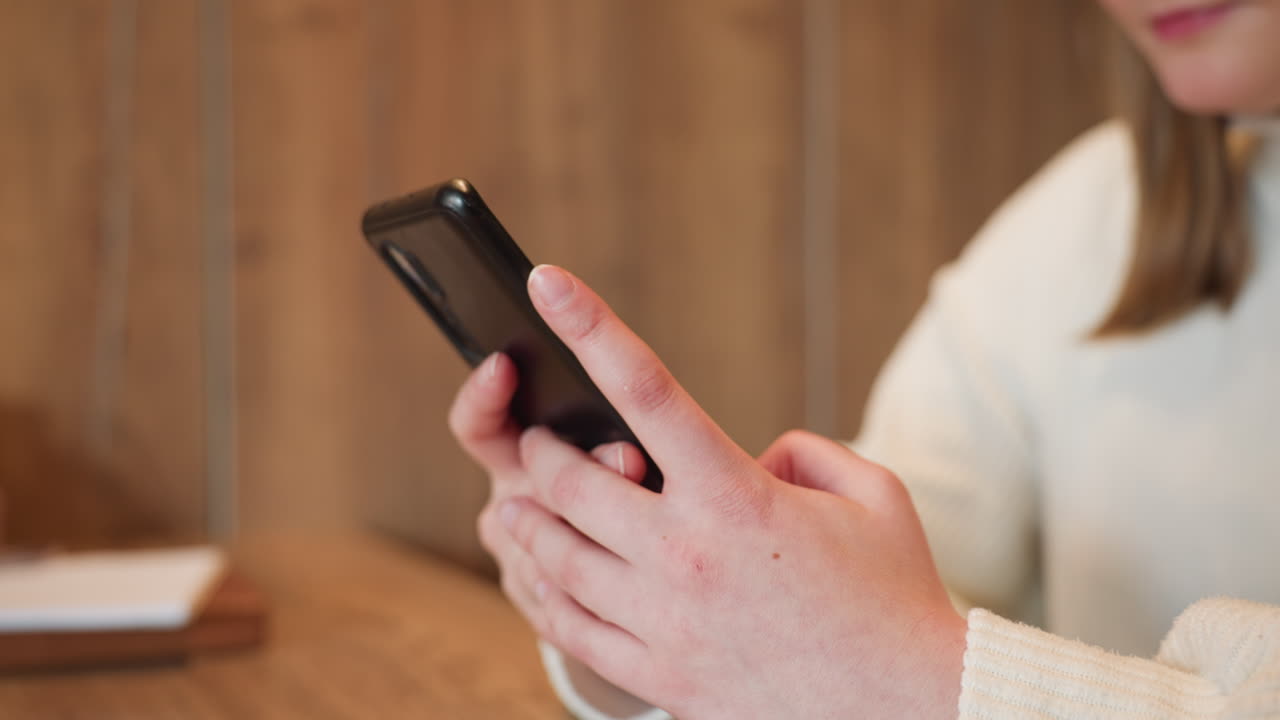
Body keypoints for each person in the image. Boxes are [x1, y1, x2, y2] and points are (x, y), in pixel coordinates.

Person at [450, 0, 1280, 717]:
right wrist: (633, 624)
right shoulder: (1086, 222)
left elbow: (890, 672)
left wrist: (927, 685)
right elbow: (849, 636)